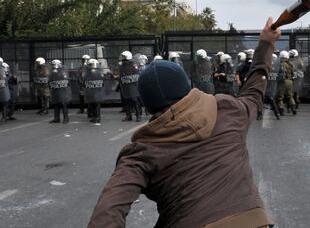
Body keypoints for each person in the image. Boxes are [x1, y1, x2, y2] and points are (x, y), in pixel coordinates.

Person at [87, 18, 280, 228]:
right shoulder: (228, 110)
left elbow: (107, 212)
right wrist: (266, 44)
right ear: (185, 86)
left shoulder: (140, 152)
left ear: (148, 105)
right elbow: (253, 93)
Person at [119, 51, 142, 122]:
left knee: (134, 100)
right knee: (127, 101)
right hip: (125, 85)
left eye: (123, 56)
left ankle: (138, 115)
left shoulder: (133, 65)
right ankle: (128, 116)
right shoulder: (121, 65)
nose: (122, 58)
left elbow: (136, 75)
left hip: (132, 86)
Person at [259, 53, 280, 120]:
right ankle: (259, 114)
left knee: (271, 99)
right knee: (261, 99)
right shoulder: (265, 66)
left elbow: (281, 75)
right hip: (265, 84)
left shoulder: (278, 66)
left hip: (272, 85)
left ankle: (277, 114)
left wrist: (276, 78)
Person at [49, 59, 71, 123]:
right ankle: (56, 118)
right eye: (52, 65)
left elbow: (66, 80)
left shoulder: (63, 71)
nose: (53, 66)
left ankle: (66, 118)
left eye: (54, 65)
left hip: (62, 90)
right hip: (55, 89)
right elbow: (50, 80)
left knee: (63, 104)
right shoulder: (52, 72)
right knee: (56, 104)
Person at [84, 59, 104, 123]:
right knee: (92, 105)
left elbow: (102, 81)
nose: (92, 66)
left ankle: (97, 118)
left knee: (96, 105)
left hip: (97, 90)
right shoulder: (88, 72)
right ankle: (94, 117)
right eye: (90, 65)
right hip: (91, 90)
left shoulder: (99, 72)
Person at [276, 50, 296, 115]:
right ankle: (293, 108)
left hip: (283, 81)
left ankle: (281, 111)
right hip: (290, 81)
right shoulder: (290, 64)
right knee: (290, 96)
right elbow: (293, 74)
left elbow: (280, 73)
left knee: (280, 97)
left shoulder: (281, 64)